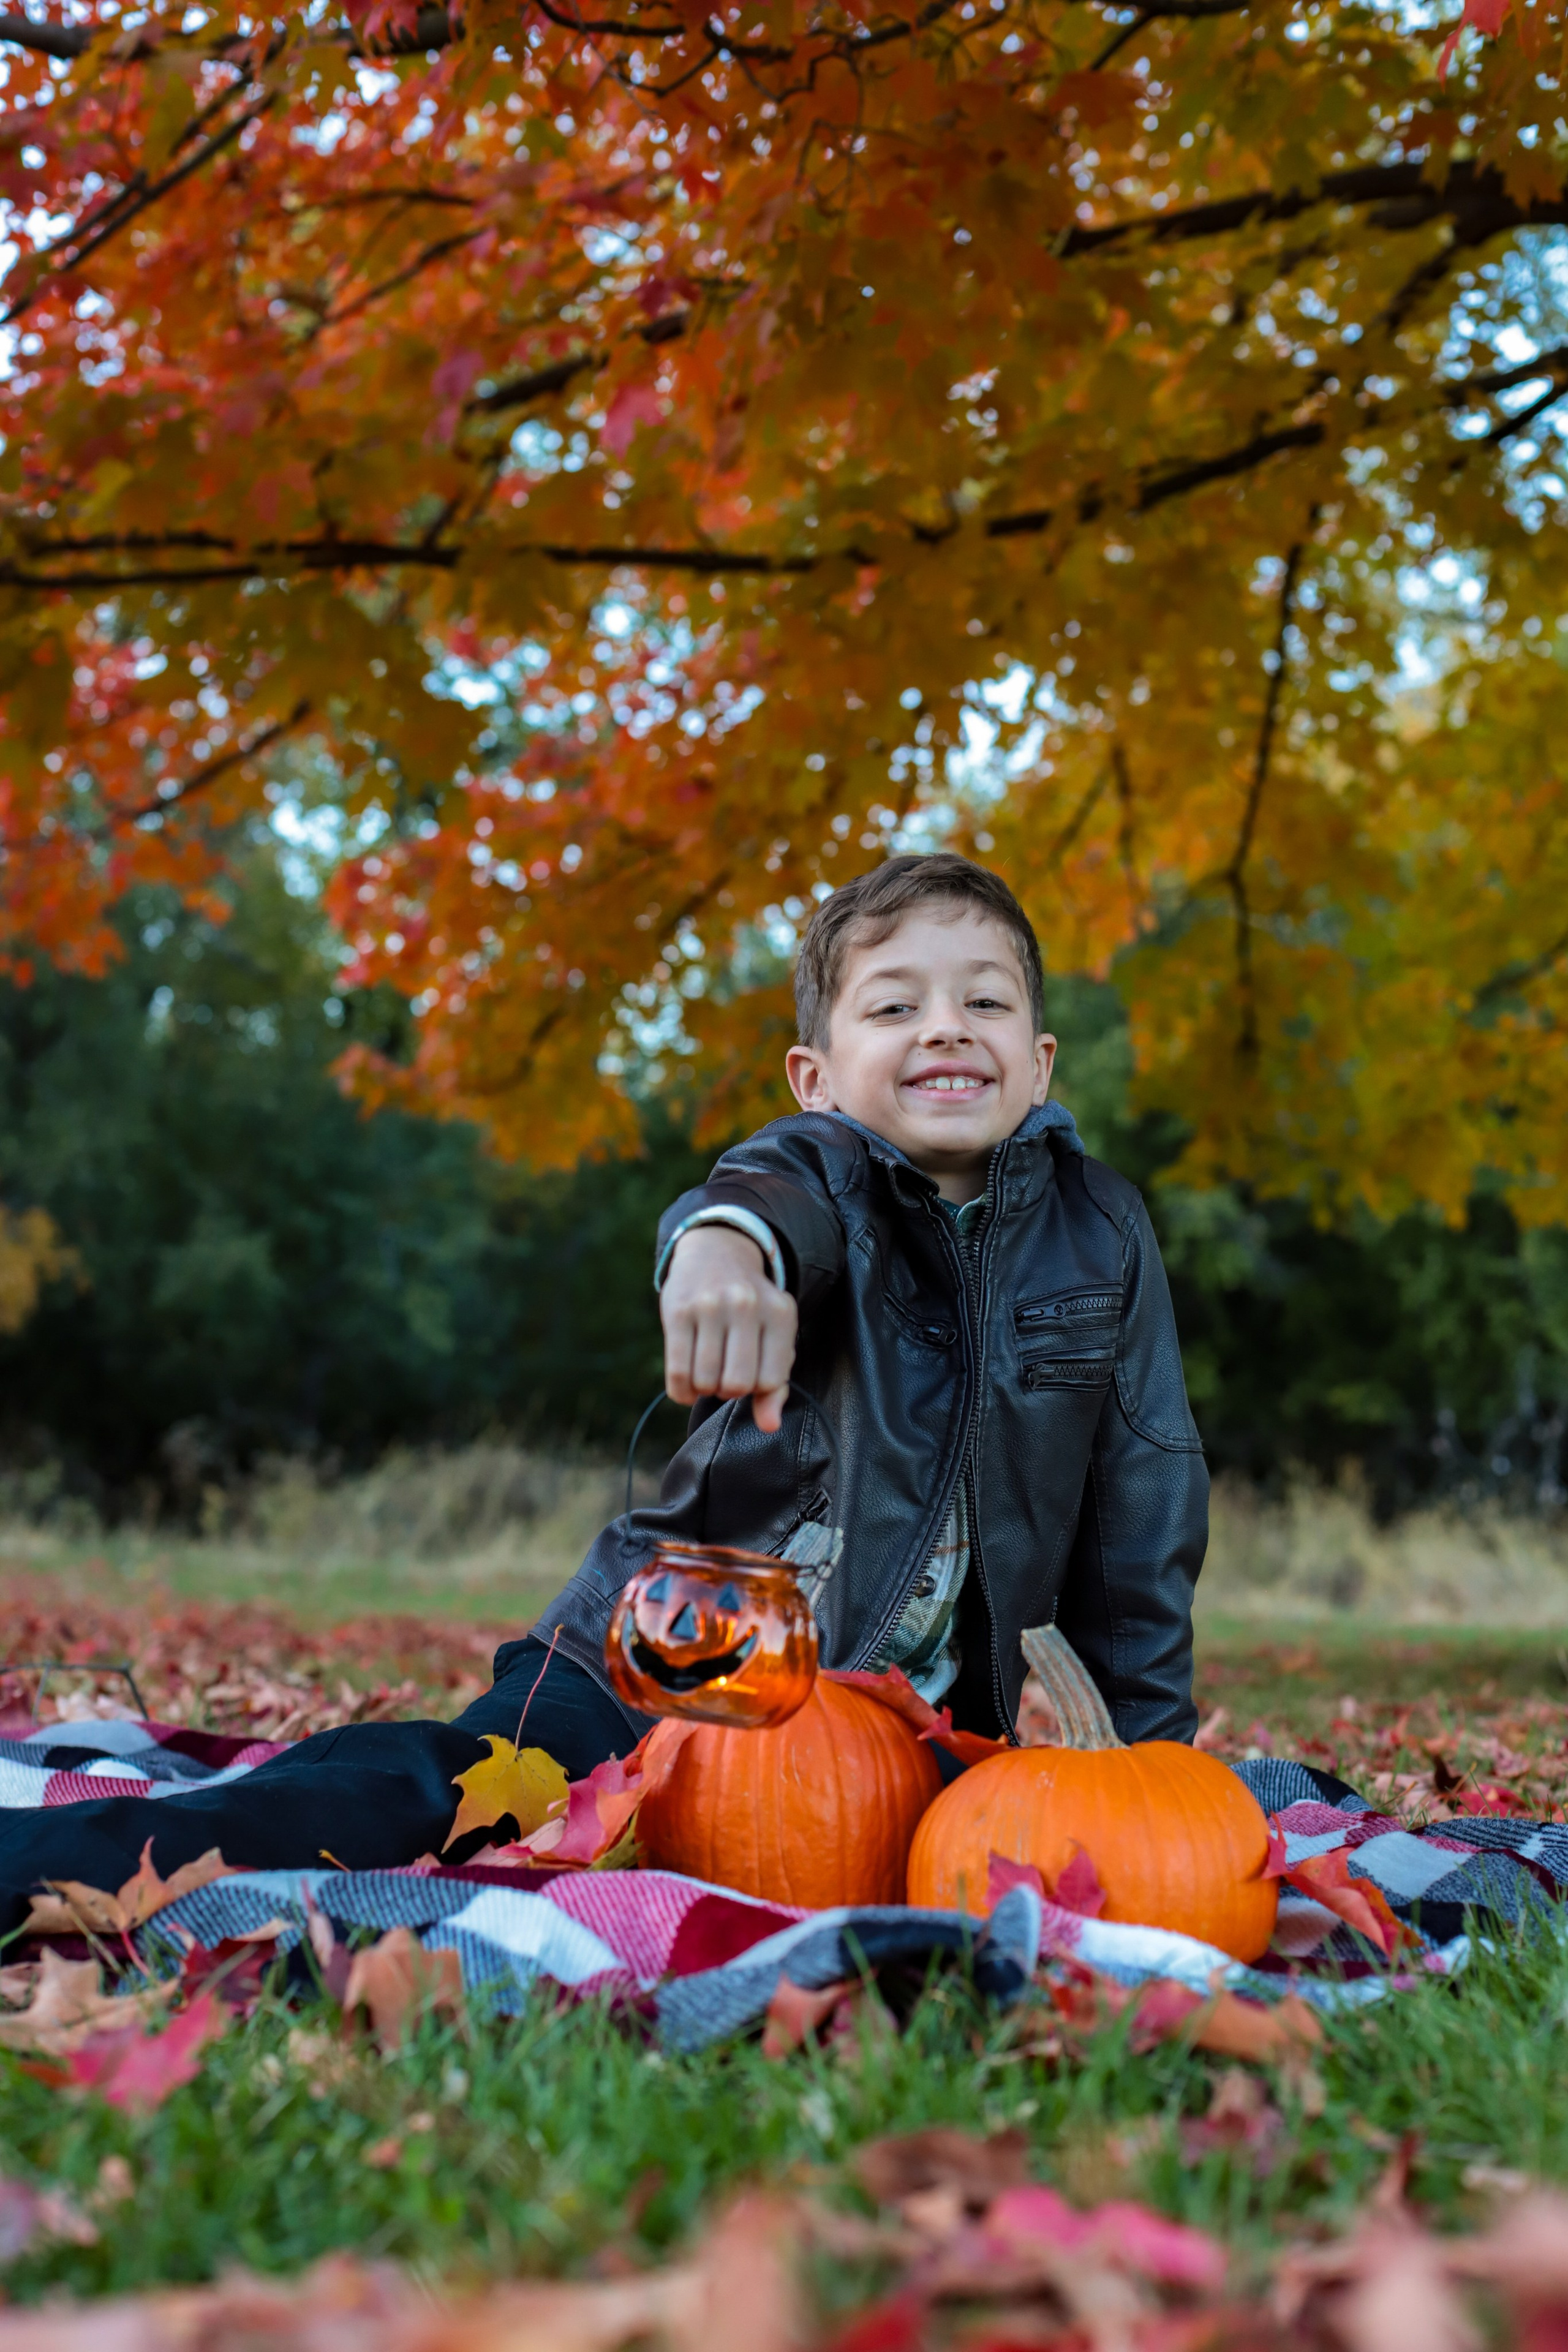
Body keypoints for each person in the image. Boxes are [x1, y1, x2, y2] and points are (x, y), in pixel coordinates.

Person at [0, 855, 1205, 1932]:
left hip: (923, 1741)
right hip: (666, 1673)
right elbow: (751, 1204)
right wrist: (721, 1257)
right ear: (817, 1076)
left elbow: (1139, 1505)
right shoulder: (820, 1170)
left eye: (984, 1001)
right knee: (442, 1799)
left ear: (1039, 1058)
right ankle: (42, 1860)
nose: (946, 1029)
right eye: (894, 1006)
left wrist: (1138, 1762)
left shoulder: (1100, 1231)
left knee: (973, 1870)